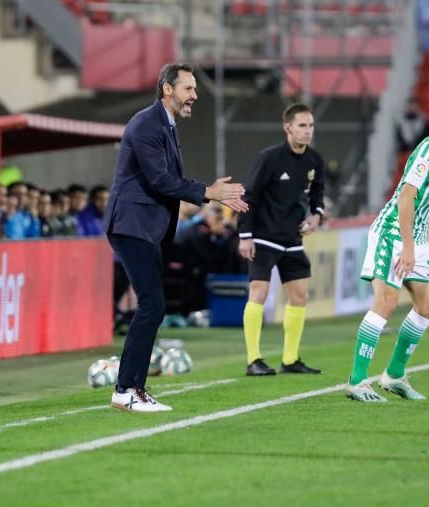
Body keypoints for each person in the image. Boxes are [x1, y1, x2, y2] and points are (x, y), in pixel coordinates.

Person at [105, 63, 248, 413]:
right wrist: (207, 192)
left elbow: (166, 181)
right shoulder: (146, 124)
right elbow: (159, 180)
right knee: (152, 305)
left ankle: (134, 388)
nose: (195, 96)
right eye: (189, 88)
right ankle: (125, 390)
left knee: (154, 307)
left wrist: (208, 193)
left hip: (148, 228)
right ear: (167, 89)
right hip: (132, 225)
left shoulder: (166, 126)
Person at [346, 90, 429, 402]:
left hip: (417, 235)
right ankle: (357, 382)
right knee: (386, 301)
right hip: (392, 231)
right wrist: (407, 247)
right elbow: (407, 196)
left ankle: (393, 375)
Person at [236, 104, 326, 376]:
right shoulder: (269, 158)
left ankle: (290, 359)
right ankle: (254, 360)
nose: (307, 131)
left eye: (310, 126)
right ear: (287, 128)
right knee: (259, 294)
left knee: (299, 297)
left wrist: (317, 215)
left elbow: (317, 193)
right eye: (301, 126)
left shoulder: (315, 161)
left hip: (293, 239)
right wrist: (245, 235)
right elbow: (248, 197)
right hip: (263, 238)